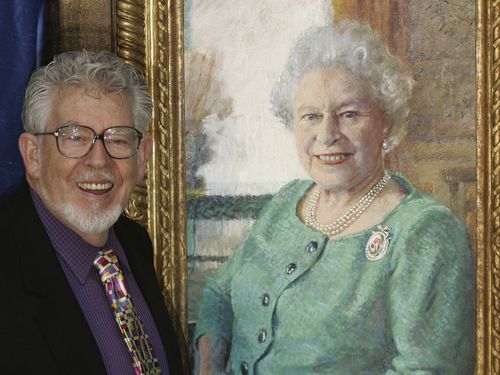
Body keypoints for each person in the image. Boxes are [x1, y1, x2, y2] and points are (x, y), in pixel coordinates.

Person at [194, 21, 475, 375]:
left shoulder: (425, 233)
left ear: (385, 123)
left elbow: (426, 369)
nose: (326, 134)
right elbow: (219, 297)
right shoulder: (287, 203)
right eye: (311, 116)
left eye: (349, 114)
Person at [0, 50, 184, 374]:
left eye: (119, 139)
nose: (99, 160)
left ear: (142, 158)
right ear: (32, 155)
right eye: (74, 137)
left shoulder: (134, 243)